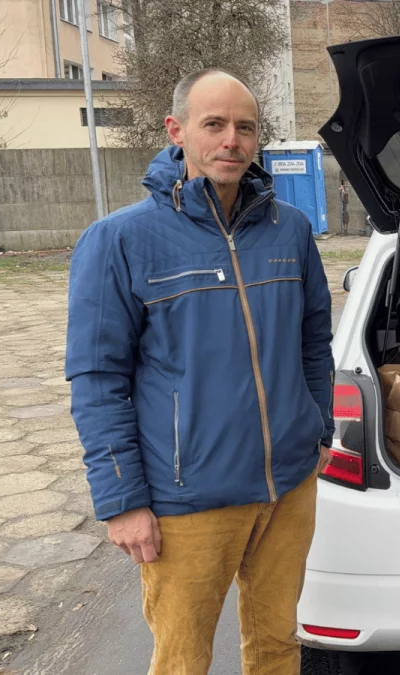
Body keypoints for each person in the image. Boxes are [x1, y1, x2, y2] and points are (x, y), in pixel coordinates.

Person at [65, 68, 335, 674]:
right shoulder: (120, 240)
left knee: (277, 646)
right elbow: (97, 379)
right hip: (187, 500)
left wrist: (319, 428)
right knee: (183, 660)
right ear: (177, 131)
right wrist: (121, 501)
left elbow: (314, 340)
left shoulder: (290, 230)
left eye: (245, 127)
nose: (231, 141)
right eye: (214, 124)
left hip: (288, 488)